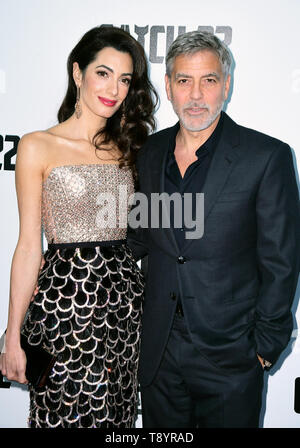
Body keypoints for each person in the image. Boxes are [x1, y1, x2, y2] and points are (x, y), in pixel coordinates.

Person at [127, 31, 300, 427]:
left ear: (226, 84)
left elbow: (281, 261)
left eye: (208, 80)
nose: (196, 95)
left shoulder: (266, 157)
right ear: (168, 87)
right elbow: (136, 239)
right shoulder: (149, 154)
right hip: (160, 355)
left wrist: (264, 347)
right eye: (184, 81)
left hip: (232, 357)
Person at [0, 25, 157, 428]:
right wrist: (12, 334)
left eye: (124, 79)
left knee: (117, 416)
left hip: (123, 307)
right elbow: (28, 246)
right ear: (77, 73)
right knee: (63, 411)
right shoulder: (38, 145)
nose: (115, 89)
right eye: (103, 73)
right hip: (64, 305)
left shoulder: (129, 147)